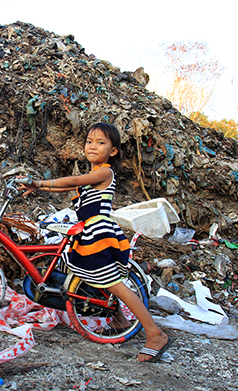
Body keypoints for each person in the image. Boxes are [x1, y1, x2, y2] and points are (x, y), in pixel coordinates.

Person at [19, 123, 170, 363]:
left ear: (113, 151)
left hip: (99, 234)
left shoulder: (104, 172)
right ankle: (120, 320)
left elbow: (74, 179)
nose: (93, 146)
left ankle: (155, 334)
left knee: (115, 286)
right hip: (88, 233)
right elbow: (70, 184)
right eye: (90, 141)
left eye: (101, 143)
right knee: (98, 281)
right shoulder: (92, 176)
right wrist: (38, 186)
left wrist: (38, 183)